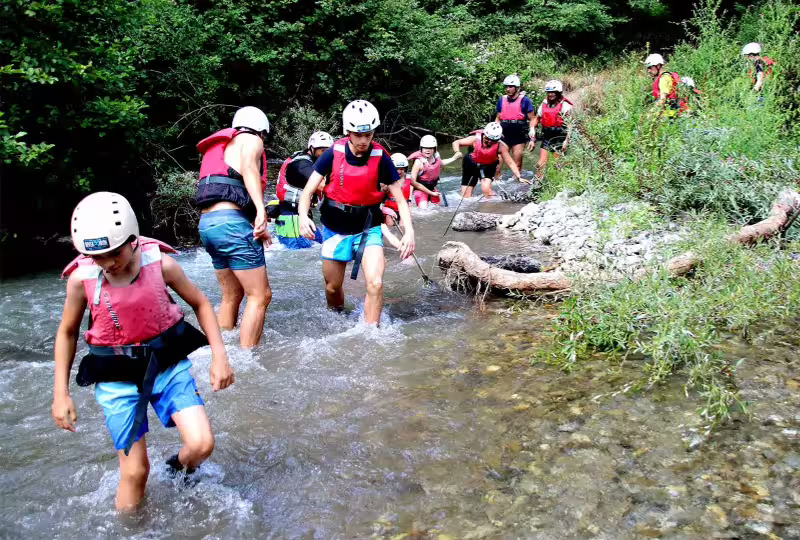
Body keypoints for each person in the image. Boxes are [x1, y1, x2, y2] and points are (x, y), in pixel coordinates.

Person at [52, 192, 234, 511]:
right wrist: (60, 393)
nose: (108, 264)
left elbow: (201, 302)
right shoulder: (81, 280)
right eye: (98, 257)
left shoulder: (161, 264)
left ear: (133, 239)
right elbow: (67, 332)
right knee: (135, 472)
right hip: (116, 380)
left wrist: (220, 355)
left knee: (202, 444)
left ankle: (177, 469)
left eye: (115, 252)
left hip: (167, 367)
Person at [297, 100, 416, 325]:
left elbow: (400, 199)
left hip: (367, 229)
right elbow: (308, 191)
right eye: (357, 135)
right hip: (335, 229)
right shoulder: (333, 153)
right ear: (348, 132)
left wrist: (409, 232)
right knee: (333, 289)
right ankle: (338, 320)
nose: (363, 141)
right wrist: (304, 216)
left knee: (376, 283)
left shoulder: (381, 158)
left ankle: (371, 334)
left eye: (368, 135)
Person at [194, 106, 272, 348]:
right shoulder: (250, 139)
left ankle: (220, 349)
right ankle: (247, 359)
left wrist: (255, 224)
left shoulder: (219, 149)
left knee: (232, 295)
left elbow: (226, 187)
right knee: (260, 295)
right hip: (231, 224)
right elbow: (249, 168)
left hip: (208, 226)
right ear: (261, 130)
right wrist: (262, 210)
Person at [273, 131, 334, 249]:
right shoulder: (301, 164)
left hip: (301, 218)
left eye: (328, 152)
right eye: (322, 151)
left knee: (325, 245)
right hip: (291, 220)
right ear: (312, 149)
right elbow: (321, 185)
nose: (325, 155)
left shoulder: (312, 163)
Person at [450, 122, 524, 198]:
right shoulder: (475, 139)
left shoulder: (501, 146)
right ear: (484, 135)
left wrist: (519, 176)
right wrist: (457, 151)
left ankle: (490, 207)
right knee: (466, 197)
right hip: (471, 165)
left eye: (493, 141)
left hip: (488, 166)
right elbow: (456, 142)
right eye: (487, 139)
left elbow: (510, 162)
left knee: (486, 190)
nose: (489, 142)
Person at [494, 74, 536, 180]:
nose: (507, 89)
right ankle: (496, 186)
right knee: (497, 166)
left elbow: (532, 119)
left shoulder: (525, 101)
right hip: (503, 136)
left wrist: (532, 137)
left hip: (519, 137)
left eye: (510, 87)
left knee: (517, 165)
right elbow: (498, 119)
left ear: (517, 88)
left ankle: (516, 187)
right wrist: (494, 134)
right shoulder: (502, 100)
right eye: (506, 87)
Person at [530, 80, 574, 182]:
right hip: (547, 136)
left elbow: (571, 125)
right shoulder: (544, 104)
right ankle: (537, 184)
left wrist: (567, 141)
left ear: (558, 93)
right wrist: (532, 131)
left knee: (556, 165)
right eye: (549, 92)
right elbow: (537, 118)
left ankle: (557, 185)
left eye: (553, 92)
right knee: (540, 164)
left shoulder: (565, 105)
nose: (550, 95)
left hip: (560, 137)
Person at [408, 135, 461, 209]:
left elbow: (441, 163)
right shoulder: (418, 162)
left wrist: (453, 158)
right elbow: (411, 182)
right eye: (425, 148)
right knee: (423, 210)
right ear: (421, 148)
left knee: (441, 208)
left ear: (434, 149)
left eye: (430, 148)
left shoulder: (435, 158)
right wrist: (409, 199)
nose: (428, 150)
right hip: (420, 191)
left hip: (433, 189)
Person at [644, 53, 685, 117]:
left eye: (650, 67)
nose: (648, 71)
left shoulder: (664, 79)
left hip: (673, 114)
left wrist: (650, 113)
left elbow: (662, 99)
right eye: (647, 68)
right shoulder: (667, 76)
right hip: (675, 112)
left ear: (658, 66)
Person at [383, 153, 413, 227]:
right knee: (389, 223)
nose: (399, 171)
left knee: (404, 225)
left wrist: (432, 193)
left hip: (403, 208)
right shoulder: (386, 181)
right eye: (396, 169)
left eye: (401, 169)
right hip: (389, 209)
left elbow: (418, 185)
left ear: (405, 169)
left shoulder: (409, 179)